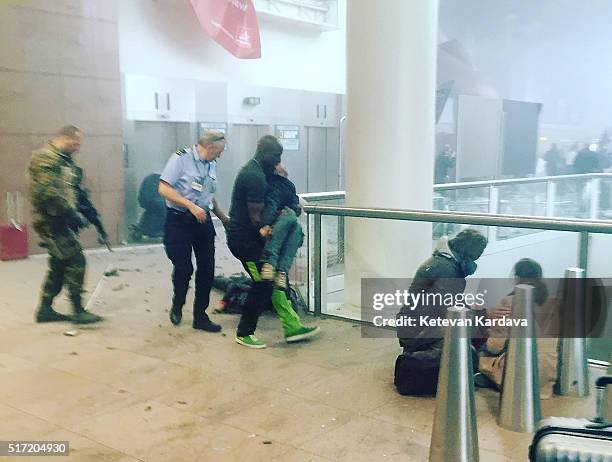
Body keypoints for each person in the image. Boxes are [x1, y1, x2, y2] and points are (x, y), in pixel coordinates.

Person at [225, 135, 319, 349]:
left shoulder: (260, 170)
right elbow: (257, 220)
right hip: (245, 243)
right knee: (262, 284)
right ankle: (244, 332)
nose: (278, 161)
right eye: (276, 157)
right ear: (265, 154)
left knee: (272, 279)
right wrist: (274, 232)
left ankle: (292, 326)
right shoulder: (254, 176)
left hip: (252, 240)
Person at [394, 229, 487, 395]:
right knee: (472, 335)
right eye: (474, 256)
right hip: (420, 331)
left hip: (412, 327)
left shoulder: (442, 261)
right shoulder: (448, 270)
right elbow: (446, 309)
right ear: (467, 252)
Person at [28, 125, 104, 324]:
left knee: (59, 265)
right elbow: (47, 193)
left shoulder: (65, 160)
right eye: (76, 142)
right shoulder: (45, 158)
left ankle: (44, 310)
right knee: (76, 260)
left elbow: (73, 190)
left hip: (60, 219)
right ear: (65, 138)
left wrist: (85, 211)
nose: (78, 147)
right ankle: (78, 310)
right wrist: (72, 214)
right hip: (50, 222)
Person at [158, 130, 229, 332]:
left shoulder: (212, 163)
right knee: (184, 268)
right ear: (210, 147)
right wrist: (190, 205)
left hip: (202, 221)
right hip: (179, 221)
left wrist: (223, 218)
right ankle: (178, 304)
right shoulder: (180, 159)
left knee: (207, 268)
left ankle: (200, 316)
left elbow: (207, 195)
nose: (221, 155)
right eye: (220, 151)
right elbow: (163, 188)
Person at [476, 258, 557, 399]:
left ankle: (493, 379)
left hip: (520, 375)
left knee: (480, 352)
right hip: (546, 375)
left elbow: (496, 344)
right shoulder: (552, 302)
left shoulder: (510, 302)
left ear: (517, 278)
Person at [259, 164, 304, 290]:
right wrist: (267, 223)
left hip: (284, 222)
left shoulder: (287, 186)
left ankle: (274, 267)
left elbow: (295, 207)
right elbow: (271, 204)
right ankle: (278, 268)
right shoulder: (269, 184)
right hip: (274, 222)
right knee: (294, 224)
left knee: (296, 226)